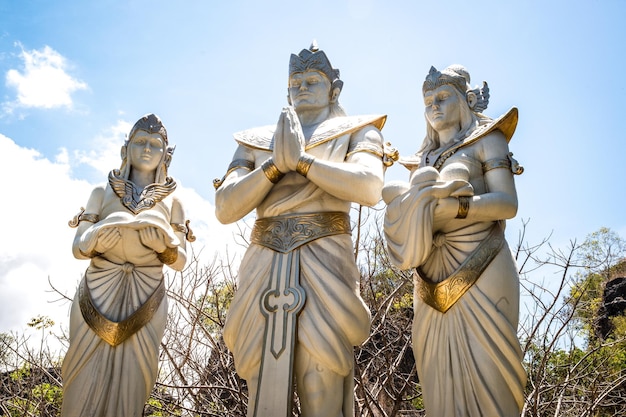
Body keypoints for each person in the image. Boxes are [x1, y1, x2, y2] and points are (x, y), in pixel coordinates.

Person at [215, 43, 391, 417]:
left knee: (321, 376)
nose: (303, 87)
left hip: (324, 258)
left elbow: (368, 187)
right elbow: (226, 206)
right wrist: (274, 168)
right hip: (263, 259)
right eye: (296, 81)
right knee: (262, 385)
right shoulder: (256, 141)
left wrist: (303, 162)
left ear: (334, 89)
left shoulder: (360, 132)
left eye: (313, 80)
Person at [383, 65, 527, 416]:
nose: (434, 106)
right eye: (428, 101)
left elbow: (507, 203)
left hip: (483, 260)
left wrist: (456, 208)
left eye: (443, 97)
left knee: (490, 372)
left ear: (466, 100)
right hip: (428, 274)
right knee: (437, 378)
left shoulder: (487, 141)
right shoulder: (421, 161)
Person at [62, 114, 194, 417]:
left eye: (155, 144)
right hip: (97, 290)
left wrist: (163, 247)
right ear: (126, 148)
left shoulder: (174, 203)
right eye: (140, 142)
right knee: (82, 377)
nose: (147, 149)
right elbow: (77, 248)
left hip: (146, 296)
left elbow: (181, 261)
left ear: (166, 154)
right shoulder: (101, 192)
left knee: (133, 381)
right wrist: (95, 240)